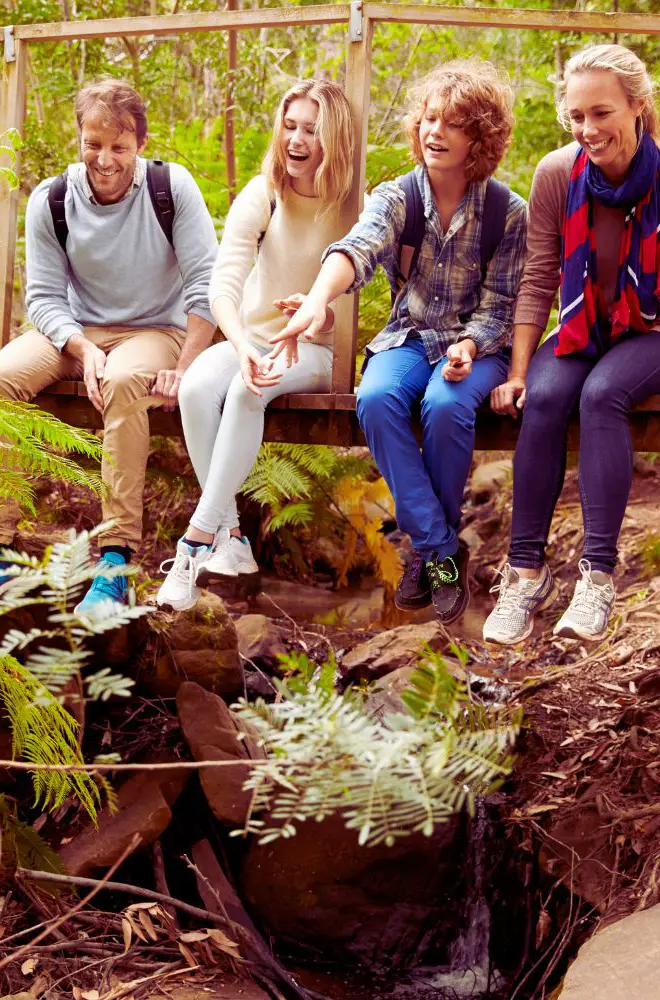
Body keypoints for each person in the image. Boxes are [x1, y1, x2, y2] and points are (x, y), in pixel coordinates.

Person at [270, 62, 527, 625]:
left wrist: (470, 346)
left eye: (454, 124)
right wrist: (318, 299)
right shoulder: (399, 197)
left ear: (480, 138)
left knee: (445, 403)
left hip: (474, 351)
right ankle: (439, 549)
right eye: (430, 119)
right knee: (377, 398)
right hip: (408, 339)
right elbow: (355, 249)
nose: (435, 132)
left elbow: (503, 305)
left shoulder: (508, 213)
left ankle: (423, 550)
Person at [0, 78, 218, 614]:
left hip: (155, 332)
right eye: (93, 145)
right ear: (79, 140)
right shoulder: (51, 200)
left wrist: (186, 366)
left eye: (119, 147)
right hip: (79, 331)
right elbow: (45, 297)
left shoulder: (172, 189)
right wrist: (81, 348)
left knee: (123, 380)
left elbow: (206, 286)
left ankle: (115, 562)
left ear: (139, 145)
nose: (105, 159)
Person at [155, 79, 354, 611]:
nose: (297, 139)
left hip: (314, 350)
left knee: (246, 394)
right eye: (290, 127)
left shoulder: (350, 204)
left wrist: (319, 313)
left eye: (311, 129)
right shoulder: (263, 192)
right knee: (198, 386)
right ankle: (234, 539)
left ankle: (194, 543)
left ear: (332, 137)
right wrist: (241, 343)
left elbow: (353, 293)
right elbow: (222, 286)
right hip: (255, 339)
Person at [484, 44, 660, 645]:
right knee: (546, 395)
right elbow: (538, 278)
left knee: (604, 393)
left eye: (602, 113)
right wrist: (518, 370)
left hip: (653, 330)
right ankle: (524, 575)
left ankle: (598, 578)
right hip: (585, 327)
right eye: (578, 115)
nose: (588, 129)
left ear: (638, 107)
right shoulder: (558, 174)